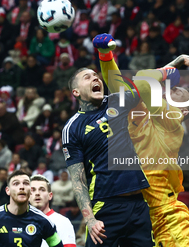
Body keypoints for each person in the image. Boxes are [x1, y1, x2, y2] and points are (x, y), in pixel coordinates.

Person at [98, 33, 189, 246]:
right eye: (171, 89)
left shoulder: (173, 119)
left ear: (184, 110)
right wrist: (105, 55)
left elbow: (144, 80)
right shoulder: (144, 112)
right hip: (135, 212)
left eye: (178, 93)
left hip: (165, 214)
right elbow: (121, 88)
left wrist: (167, 71)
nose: (170, 91)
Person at [62, 34, 154, 247]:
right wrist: (90, 219)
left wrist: (179, 61)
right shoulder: (72, 128)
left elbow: (147, 83)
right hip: (106, 207)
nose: (96, 79)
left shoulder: (117, 102)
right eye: (87, 77)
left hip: (139, 204)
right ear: (76, 92)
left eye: (96, 76)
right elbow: (78, 181)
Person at [0, 170, 64, 247]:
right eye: (16, 184)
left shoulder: (43, 220)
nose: (21, 187)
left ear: (30, 191)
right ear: (8, 191)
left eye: (26, 183)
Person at [29, 174, 76, 247]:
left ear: (50, 196)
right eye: (33, 190)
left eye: (42, 190)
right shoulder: (19, 221)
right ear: (28, 196)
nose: (37, 193)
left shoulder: (63, 222)